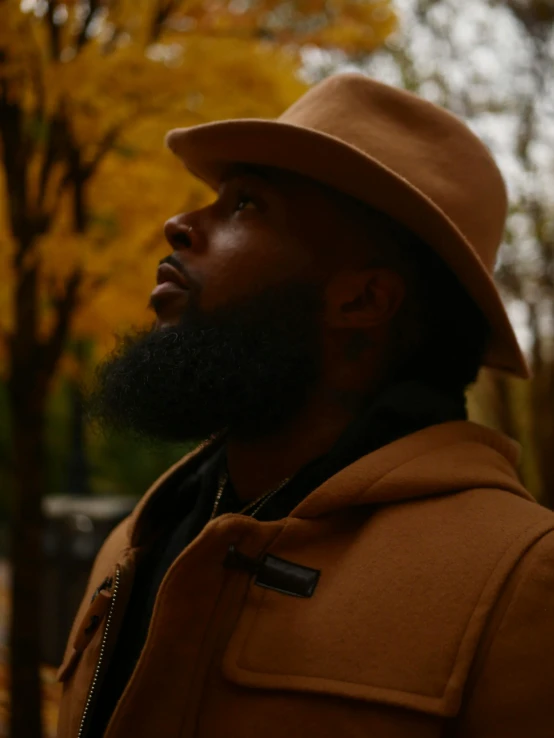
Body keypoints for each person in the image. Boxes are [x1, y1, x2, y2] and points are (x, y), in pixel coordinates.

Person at [56, 73, 554, 738]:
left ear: (362, 302)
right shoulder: (136, 540)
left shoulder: (523, 582)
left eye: (246, 205)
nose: (179, 224)